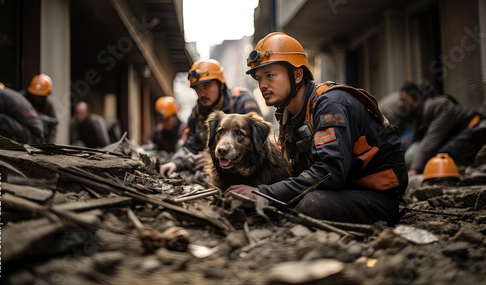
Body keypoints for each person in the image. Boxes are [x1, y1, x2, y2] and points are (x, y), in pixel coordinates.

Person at [225, 32, 408, 225]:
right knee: (286, 201)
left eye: (270, 75)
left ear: (297, 75)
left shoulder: (330, 104)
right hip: (343, 190)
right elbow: (295, 171)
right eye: (259, 78)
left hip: (377, 197)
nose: (262, 85)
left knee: (311, 204)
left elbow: (331, 172)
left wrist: (263, 193)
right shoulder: (289, 115)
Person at [160, 58, 262, 177]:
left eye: (206, 86)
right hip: (216, 172)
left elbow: (257, 147)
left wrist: (213, 156)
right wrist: (175, 163)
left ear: (221, 85)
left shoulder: (242, 102)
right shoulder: (197, 113)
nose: (202, 93)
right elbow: (190, 143)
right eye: (197, 88)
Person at [398, 81, 486, 177]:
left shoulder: (439, 106)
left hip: (475, 129)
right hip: (463, 133)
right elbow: (418, 142)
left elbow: (430, 141)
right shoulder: (420, 115)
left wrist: (415, 169)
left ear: (415, 97)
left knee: (443, 157)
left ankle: (470, 174)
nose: (401, 104)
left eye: (404, 100)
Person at [20, 74, 58, 143]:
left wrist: (49, 145)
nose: (37, 98)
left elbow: (53, 125)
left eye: (40, 96)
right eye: (35, 95)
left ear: (46, 95)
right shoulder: (21, 99)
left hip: (39, 140)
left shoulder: (48, 105)